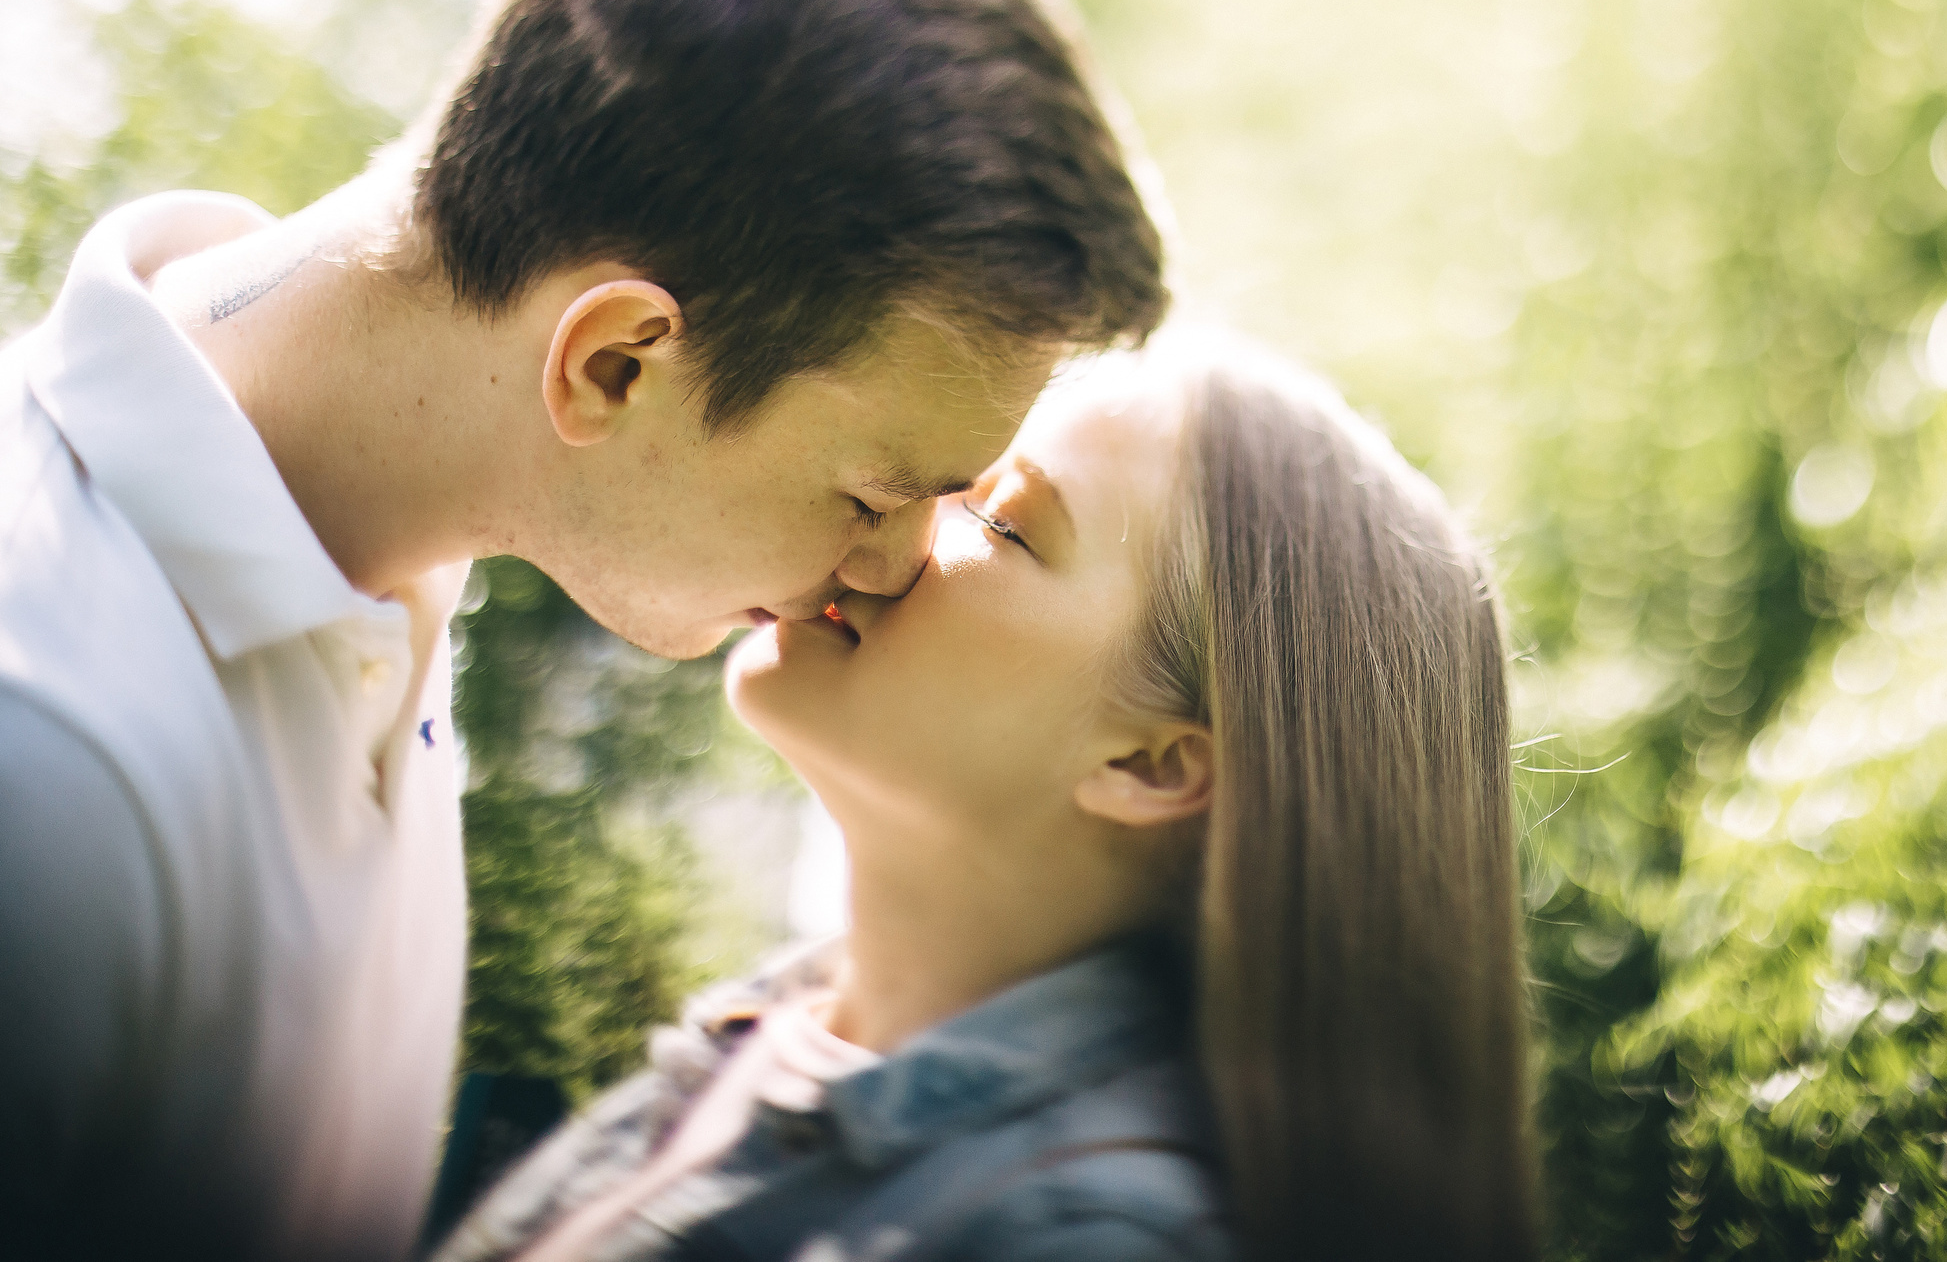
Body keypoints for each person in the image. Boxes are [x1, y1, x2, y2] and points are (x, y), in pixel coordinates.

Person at [0, 0, 1168, 1261]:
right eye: (874, 494)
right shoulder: (41, 760)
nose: (891, 567)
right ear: (614, 360)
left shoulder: (379, 564)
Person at [429, 340, 1539, 1262]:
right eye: (947, 473)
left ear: (1151, 764)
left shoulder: (1086, 1239)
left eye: (1003, 527)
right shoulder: (771, 1040)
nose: (897, 527)